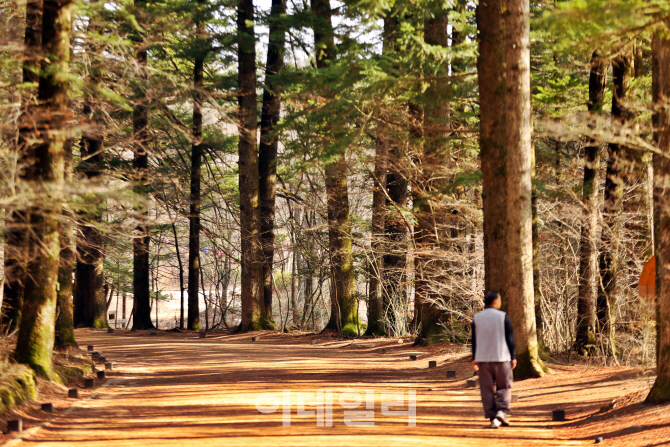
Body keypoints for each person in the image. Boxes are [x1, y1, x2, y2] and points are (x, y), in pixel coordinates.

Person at [471, 290, 517, 429]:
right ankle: (501, 412)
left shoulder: (477, 317)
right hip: (502, 357)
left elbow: (474, 340)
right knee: (504, 386)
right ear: (496, 301)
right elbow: (510, 338)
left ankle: (493, 417)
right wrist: (513, 356)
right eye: (500, 299)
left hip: (484, 359)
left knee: (486, 389)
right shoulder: (503, 316)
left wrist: (475, 358)